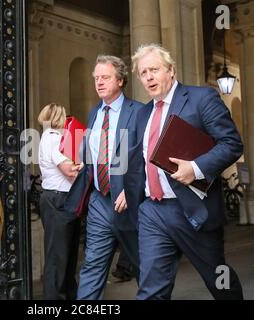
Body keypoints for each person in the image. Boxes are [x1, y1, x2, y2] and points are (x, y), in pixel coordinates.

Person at [124, 43, 244, 300]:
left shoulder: (201, 99)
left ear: (171, 70)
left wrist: (196, 168)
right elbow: (138, 164)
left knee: (219, 282)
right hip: (153, 211)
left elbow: (232, 144)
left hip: (192, 208)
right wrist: (133, 199)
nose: (149, 77)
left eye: (154, 69)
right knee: (150, 290)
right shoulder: (142, 114)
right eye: (143, 73)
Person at [65, 55, 143, 300]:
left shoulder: (139, 112)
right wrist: (83, 164)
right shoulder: (94, 113)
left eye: (105, 77)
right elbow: (95, 153)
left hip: (130, 204)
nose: (99, 82)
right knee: (92, 267)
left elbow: (146, 159)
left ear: (120, 80)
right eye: (96, 78)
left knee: (145, 267)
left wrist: (132, 191)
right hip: (100, 202)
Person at [37, 103, 82, 300]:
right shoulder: (54, 139)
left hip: (55, 198)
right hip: (59, 199)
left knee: (63, 255)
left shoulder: (45, 138)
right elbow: (69, 170)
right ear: (59, 117)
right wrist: (85, 167)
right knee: (59, 258)